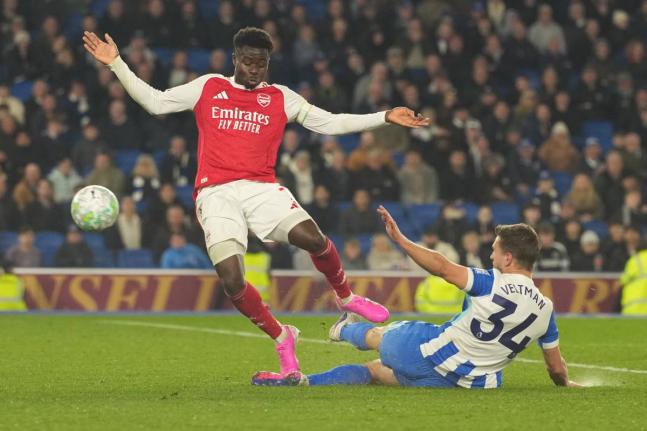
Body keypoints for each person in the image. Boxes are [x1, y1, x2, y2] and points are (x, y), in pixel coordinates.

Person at [83, 27, 427, 375]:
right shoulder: (209, 87)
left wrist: (383, 116)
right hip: (216, 193)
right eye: (247, 62)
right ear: (235, 60)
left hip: (261, 188)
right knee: (232, 280)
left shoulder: (281, 97)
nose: (253, 69)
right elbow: (156, 102)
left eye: (260, 64)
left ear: (268, 63)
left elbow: (331, 123)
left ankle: (346, 297)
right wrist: (117, 65)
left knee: (314, 239)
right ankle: (282, 336)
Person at [253, 206, 580, 388]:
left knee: (380, 336)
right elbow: (555, 369)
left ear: (508, 258)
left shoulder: (490, 281)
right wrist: (568, 385)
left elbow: (441, 266)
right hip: (466, 384)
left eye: (495, 252)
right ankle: (306, 382)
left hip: (427, 351)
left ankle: (340, 330)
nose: (491, 257)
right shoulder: (546, 310)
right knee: (376, 373)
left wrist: (401, 240)